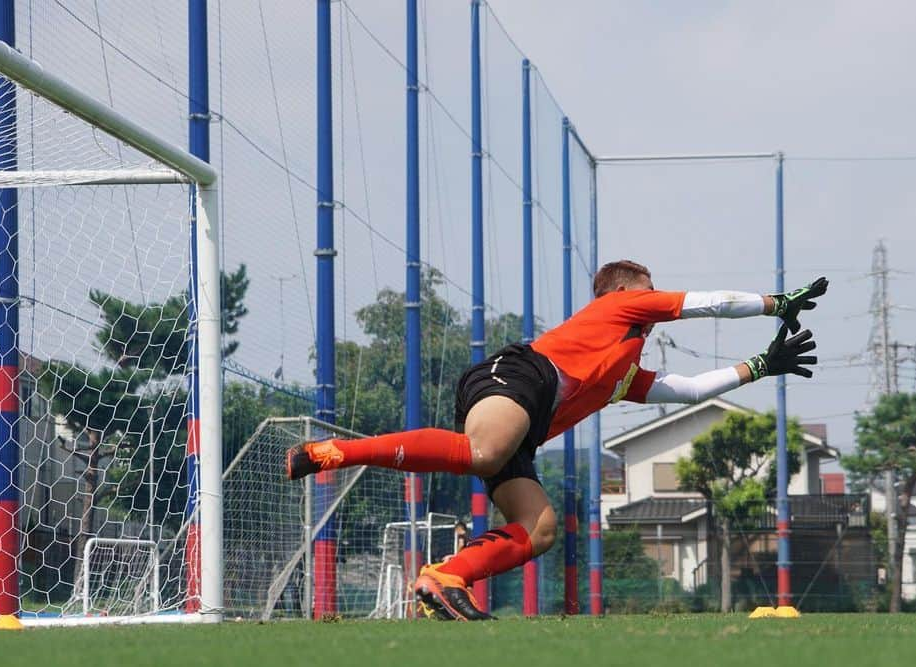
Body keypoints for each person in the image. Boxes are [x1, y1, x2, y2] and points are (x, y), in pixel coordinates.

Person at [286, 260, 827, 620]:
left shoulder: (621, 373)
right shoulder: (615, 308)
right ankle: (328, 453)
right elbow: (706, 303)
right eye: (648, 293)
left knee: (539, 529)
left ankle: (447, 576)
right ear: (620, 294)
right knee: (483, 453)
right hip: (518, 376)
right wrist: (775, 303)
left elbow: (685, 389)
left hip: (527, 421)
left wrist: (758, 366)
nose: (654, 305)